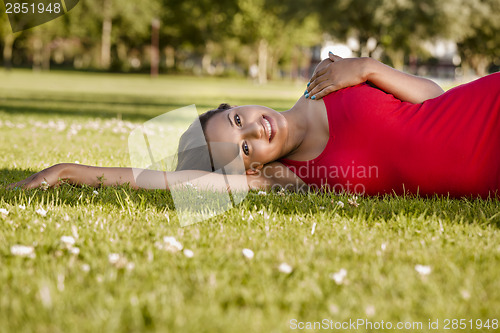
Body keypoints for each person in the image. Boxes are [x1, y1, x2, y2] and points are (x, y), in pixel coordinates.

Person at [8, 53, 500, 198]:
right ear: (251, 169)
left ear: (236, 104)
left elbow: (439, 101)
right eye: (243, 149)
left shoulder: (330, 81)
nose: (254, 132)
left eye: (237, 120)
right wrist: (67, 171)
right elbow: (166, 180)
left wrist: (369, 68)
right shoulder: (296, 176)